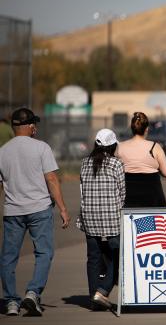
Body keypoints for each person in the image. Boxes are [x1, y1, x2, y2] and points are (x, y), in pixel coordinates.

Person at [0, 108, 70, 316]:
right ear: (30, 126)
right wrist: (63, 208)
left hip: (13, 211)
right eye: (34, 125)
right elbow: (51, 179)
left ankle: (11, 301)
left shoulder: (2, 151)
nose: (36, 128)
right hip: (39, 209)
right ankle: (32, 292)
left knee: (8, 258)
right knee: (44, 253)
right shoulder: (41, 148)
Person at [77, 129, 125, 310]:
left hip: (89, 216)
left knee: (93, 257)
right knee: (117, 256)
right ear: (112, 145)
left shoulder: (84, 163)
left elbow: (82, 191)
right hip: (111, 217)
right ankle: (103, 290)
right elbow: (122, 193)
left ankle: (93, 296)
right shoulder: (116, 164)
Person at [116, 112, 166, 207]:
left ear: (132, 128)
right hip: (152, 198)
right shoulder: (155, 147)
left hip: (127, 197)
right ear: (147, 129)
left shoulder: (120, 147)